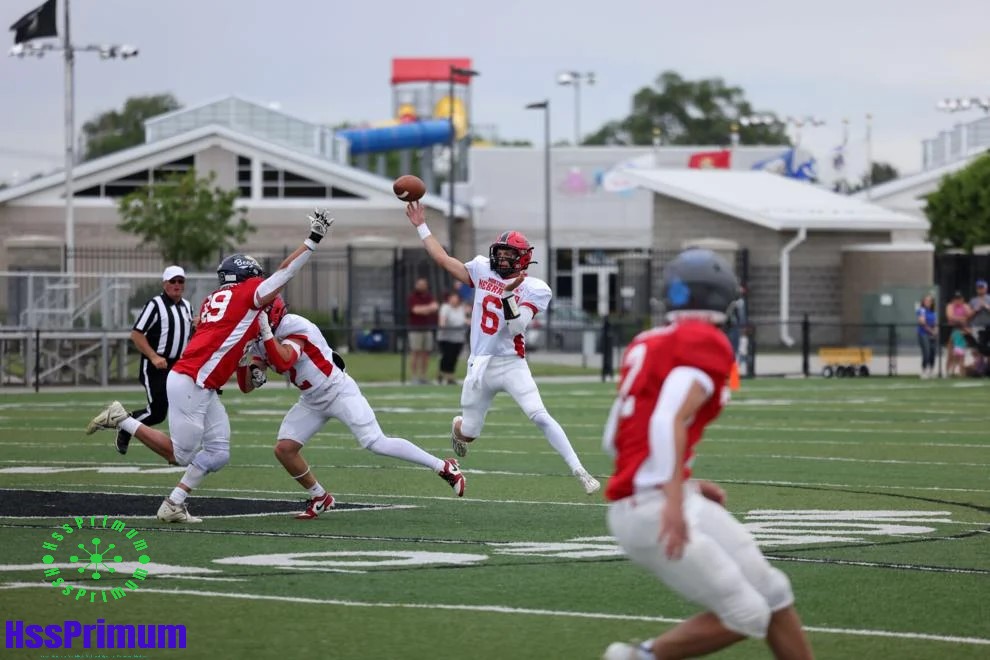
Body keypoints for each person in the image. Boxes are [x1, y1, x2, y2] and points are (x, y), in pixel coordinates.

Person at [601, 248, 814, 660]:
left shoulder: (649, 341)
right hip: (651, 507)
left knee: (773, 592)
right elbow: (667, 420)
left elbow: (616, 437)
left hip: (652, 494)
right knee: (746, 613)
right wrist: (675, 500)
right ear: (723, 300)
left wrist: (684, 483)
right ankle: (636, 658)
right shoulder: (705, 343)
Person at [84, 209, 335, 523]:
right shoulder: (246, 295)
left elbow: (233, 353)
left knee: (218, 453)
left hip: (202, 383)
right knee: (180, 454)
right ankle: (122, 420)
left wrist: (254, 366)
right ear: (248, 277)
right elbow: (285, 272)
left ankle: (173, 503)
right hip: (193, 381)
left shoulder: (214, 299)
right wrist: (312, 240)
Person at [405, 201, 600, 495]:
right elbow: (444, 260)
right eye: (502, 253)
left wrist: (509, 297)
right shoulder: (483, 270)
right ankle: (457, 426)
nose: (505, 259)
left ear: (523, 259)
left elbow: (517, 327)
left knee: (539, 414)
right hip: (480, 364)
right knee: (468, 433)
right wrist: (421, 225)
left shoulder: (535, 288)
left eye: (511, 255)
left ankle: (579, 470)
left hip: (511, 363)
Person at [237, 297, 465, 519]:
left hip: (338, 390)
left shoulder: (293, 325)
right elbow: (246, 386)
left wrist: (266, 335)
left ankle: (443, 466)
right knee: (284, 449)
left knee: (376, 442)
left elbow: (285, 359)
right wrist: (246, 364)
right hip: (311, 399)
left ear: (270, 314)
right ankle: (320, 497)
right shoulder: (259, 340)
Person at [115, 266, 194, 455]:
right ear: (164, 284)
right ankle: (126, 424)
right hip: (155, 366)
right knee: (157, 412)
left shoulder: (187, 307)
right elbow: (136, 334)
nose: (176, 285)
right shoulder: (155, 304)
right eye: (172, 281)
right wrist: (154, 356)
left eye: (180, 281)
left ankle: (180, 447)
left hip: (178, 366)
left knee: (186, 406)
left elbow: (188, 333)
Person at [407, 277, 439, 384]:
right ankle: (414, 376)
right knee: (415, 352)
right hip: (415, 329)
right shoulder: (412, 297)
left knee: (426, 354)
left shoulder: (429, 296)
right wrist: (427, 308)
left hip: (427, 328)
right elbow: (416, 310)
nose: (421, 286)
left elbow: (435, 307)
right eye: (420, 284)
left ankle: (423, 376)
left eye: (423, 284)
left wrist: (424, 309)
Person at [436, 290, 468, 384]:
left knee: (454, 357)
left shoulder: (462, 308)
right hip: (446, 337)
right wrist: (442, 324)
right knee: (447, 356)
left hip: (458, 337)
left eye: (455, 298)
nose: (454, 300)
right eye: (452, 298)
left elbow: (464, 320)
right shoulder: (445, 307)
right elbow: (442, 320)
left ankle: (449, 375)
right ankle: (443, 374)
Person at [916, 294, 938, 379]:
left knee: (933, 352)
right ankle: (924, 370)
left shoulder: (933, 312)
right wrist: (931, 331)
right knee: (926, 352)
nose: (928, 302)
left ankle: (931, 371)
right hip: (923, 334)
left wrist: (936, 330)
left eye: (929, 301)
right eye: (926, 300)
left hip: (932, 334)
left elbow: (935, 323)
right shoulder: (921, 310)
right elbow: (922, 322)